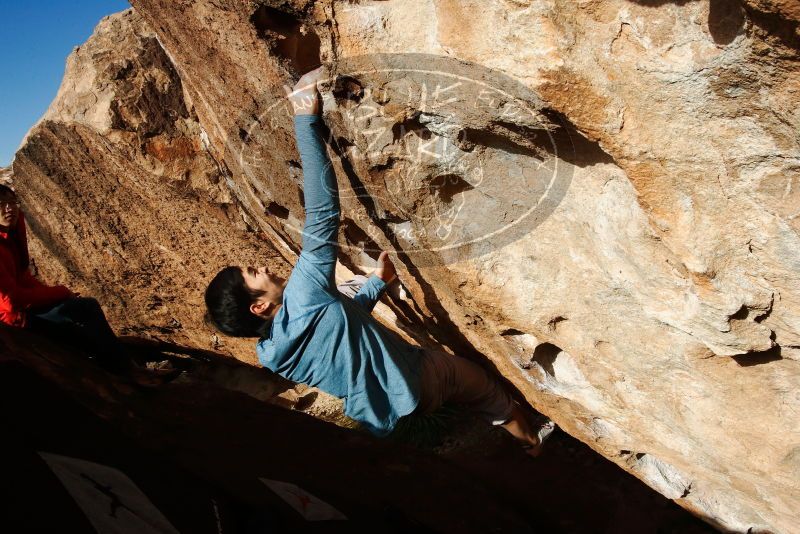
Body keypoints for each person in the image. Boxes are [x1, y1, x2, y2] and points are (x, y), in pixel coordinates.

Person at [205, 67, 555, 455]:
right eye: (255, 273)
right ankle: (532, 444)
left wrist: (375, 284)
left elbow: (341, 335)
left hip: (384, 415)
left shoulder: (270, 354)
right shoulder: (304, 292)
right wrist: (305, 118)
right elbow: (322, 211)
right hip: (418, 379)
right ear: (259, 305)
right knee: (485, 390)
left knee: (454, 392)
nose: (266, 268)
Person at [0, 184, 174, 385]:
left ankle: (124, 369)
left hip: (21, 313)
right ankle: (130, 373)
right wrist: (61, 293)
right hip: (16, 321)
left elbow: (23, 278)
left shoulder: (8, 239)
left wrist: (60, 295)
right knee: (87, 309)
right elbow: (10, 301)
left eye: (12, 202)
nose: (9, 208)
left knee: (80, 317)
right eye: (2, 204)